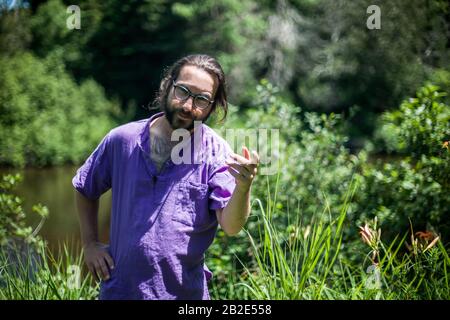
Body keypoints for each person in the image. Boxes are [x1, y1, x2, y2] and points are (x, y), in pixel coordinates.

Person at [72, 54, 260, 300]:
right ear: (167, 87)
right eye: (183, 91)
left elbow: (232, 226)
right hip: (119, 292)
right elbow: (85, 188)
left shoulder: (215, 152)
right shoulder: (122, 140)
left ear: (212, 107)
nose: (188, 106)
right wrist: (90, 244)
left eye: (201, 99)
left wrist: (243, 186)